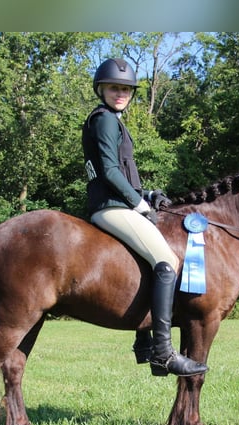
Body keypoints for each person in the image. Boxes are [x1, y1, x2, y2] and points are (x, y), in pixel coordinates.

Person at [81, 57, 208, 377]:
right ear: (102, 89)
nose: (120, 93)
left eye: (125, 89)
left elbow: (121, 172)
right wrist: (138, 203)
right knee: (167, 260)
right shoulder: (106, 119)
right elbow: (109, 171)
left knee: (148, 258)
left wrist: (147, 194)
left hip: (117, 202)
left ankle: (143, 342)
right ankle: (163, 352)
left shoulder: (109, 120)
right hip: (111, 207)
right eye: (114, 88)